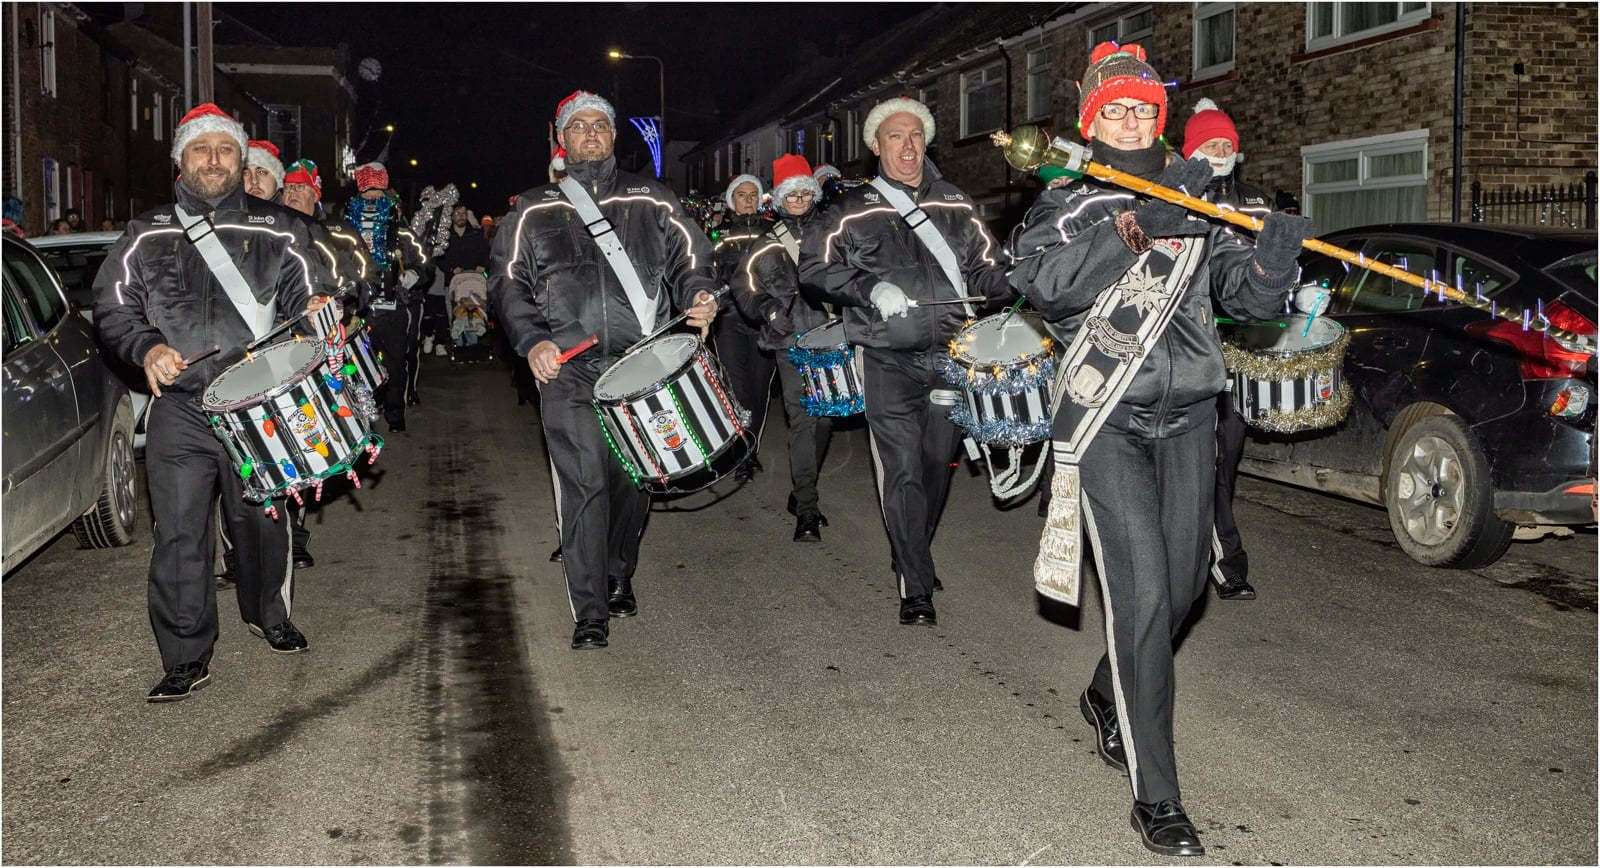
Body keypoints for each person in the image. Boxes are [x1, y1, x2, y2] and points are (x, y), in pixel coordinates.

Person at [1006, 44, 1322, 856]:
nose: (1132, 118)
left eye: (1144, 106)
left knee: (1183, 593)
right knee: (1144, 601)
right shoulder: (1067, 201)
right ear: (1091, 118)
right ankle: (1159, 797)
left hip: (1189, 419)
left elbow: (1241, 298)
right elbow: (1048, 284)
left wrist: (1273, 255)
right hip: (1107, 419)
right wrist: (1138, 227)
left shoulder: (1205, 199)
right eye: (1115, 107)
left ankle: (1111, 691)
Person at [92, 103, 334, 702]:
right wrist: (145, 348)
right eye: (201, 149)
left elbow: (313, 293)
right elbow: (113, 308)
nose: (214, 159)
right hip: (182, 408)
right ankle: (184, 654)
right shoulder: (145, 233)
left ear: (241, 158)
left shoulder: (281, 228)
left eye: (225, 149)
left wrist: (313, 314)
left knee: (260, 524)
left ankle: (267, 613)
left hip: (259, 405)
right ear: (180, 160)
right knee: (178, 533)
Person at [490, 90, 718, 651]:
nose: (590, 134)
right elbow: (506, 282)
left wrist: (701, 295)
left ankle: (619, 568)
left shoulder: (653, 197)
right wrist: (533, 340)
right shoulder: (533, 208)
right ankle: (590, 607)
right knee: (586, 482)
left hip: (642, 366)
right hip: (568, 371)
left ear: (614, 136)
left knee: (632, 481)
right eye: (579, 126)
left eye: (600, 125)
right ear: (561, 140)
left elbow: (693, 257)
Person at [800, 96, 1011, 627]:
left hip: (947, 358)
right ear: (876, 146)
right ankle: (915, 586)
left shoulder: (955, 202)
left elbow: (985, 269)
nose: (908, 146)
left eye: (916, 136)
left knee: (938, 463)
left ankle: (912, 546)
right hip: (887, 358)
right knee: (902, 470)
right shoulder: (851, 207)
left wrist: (1013, 282)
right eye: (896, 136)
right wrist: (869, 288)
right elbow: (813, 268)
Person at [1182, 98, 1272, 602]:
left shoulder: (1255, 202)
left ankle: (1207, 552)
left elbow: (1273, 264)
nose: (1220, 150)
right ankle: (1225, 563)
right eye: (1210, 143)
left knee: (1224, 460)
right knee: (1206, 461)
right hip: (1191, 347)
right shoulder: (1179, 195)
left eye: (1227, 144)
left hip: (1238, 350)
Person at [732, 154, 833, 541]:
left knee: (823, 421)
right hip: (789, 342)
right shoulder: (764, 243)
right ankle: (807, 509)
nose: (800, 198)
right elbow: (744, 287)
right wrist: (766, 308)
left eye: (806, 192)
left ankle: (800, 490)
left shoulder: (831, 232)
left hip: (830, 339)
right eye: (792, 193)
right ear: (779, 197)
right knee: (803, 420)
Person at [341, 162, 433, 431]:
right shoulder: (346, 231)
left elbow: (425, 263)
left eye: (376, 194)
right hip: (358, 310)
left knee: (395, 362)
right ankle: (362, 420)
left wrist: (415, 273)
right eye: (366, 194)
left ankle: (395, 415)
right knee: (356, 366)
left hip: (393, 306)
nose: (371, 199)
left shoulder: (401, 231)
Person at [712, 172, 775, 482]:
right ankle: (740, 453)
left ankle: (750, 448)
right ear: (731, 200)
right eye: (742, 194)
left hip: (765, 323)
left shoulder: (774, 231)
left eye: (753, 194)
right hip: (731, 322)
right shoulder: (718, 235)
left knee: (759, 390)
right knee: (737, 390)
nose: (748, 199)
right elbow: (706, 276)